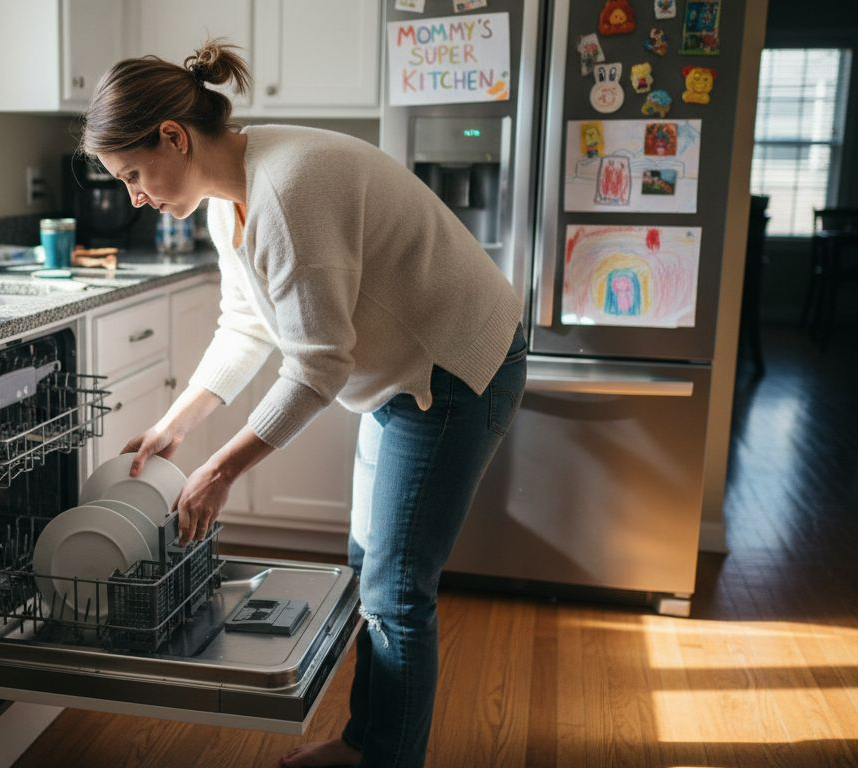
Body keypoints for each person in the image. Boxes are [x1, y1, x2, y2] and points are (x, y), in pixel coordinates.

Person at [80, 39, 528, 768]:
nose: (134, 195)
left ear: (173, 136)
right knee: (369, 571)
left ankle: (385, 760)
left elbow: (318, 365)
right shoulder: (230, 201)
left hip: (452, 369)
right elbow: (246, 325)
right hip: (400, 376)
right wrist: (173, 426)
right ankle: (366, 745)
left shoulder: (288, 188)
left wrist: (220, 469)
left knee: (395, 593)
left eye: (133, 174)